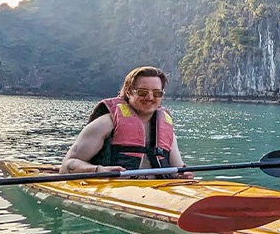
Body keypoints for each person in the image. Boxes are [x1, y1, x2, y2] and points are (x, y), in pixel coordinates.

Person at [60, 66, 190, 176]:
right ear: (128, 92)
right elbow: (66, 166)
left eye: (157, 93)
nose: (150, 97)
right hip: (113, 188)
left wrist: (182, 175)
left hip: (157, 191)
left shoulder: (166, 130)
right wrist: (98, 170)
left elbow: (176, 170)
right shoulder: (105, 124)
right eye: (142, 92)